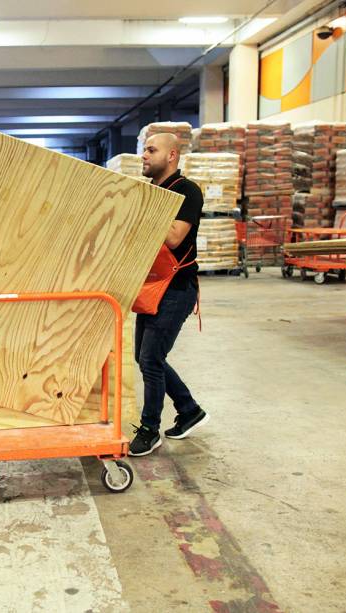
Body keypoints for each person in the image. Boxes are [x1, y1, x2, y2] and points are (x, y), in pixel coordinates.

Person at [129, 132, 208, 457]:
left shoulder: (187, 191)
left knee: (150, 359)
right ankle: (189, 410)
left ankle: (150, 429)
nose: (144, 156)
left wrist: (143, 207)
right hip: (151, 285)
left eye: (151, 150)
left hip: (176, 289)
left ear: (172, 155)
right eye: (144, 150)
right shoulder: (154, 192)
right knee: (145, 357)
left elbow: (174, 237)